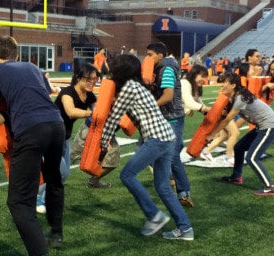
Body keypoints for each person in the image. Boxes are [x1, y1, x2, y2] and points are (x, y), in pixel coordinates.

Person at [0, 36, 64, 256]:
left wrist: (6, 116)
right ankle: (56, 231)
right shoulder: (32, 67)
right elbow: (42, 93)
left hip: (31, 129)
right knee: (53, 178)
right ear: (17, 54)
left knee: (19, 201)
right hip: (56, 124)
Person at [101, 54, 194, 241]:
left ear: (121, 71)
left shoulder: (128, 88)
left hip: (157, 138)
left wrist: (103, 142)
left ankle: (154, 215)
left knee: (127, 175)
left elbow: (113, 118)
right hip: (167, 136)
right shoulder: (137, 86)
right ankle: (185, 229)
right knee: (163, 187)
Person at [36, 62, 97, 246]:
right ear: (78, 77)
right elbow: (70, 112)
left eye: (95, 79)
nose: (92, 82)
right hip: (49, 136)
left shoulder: (90, 95)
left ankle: (42, 198)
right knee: (59, 172)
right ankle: (37, 198)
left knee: (65, 174)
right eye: (89, 78)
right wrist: (91, 113)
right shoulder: (67, 93)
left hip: (65, 137)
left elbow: (98, 109)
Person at [212, 73, 274, 196]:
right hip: (261, 126)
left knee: (252, 158)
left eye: (225, 82)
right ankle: (236, 177)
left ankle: (270, 187)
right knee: (239, 148)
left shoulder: (239, 99)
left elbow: (227, 120)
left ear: (233, 85)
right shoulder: (233, 98)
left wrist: (212, 135)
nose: (223, 85)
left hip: (270, 126)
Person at [146, 42, 194, 207]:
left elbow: (167, 96)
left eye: (150, 55)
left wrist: (150, 106)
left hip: (172, 119)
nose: (147, 58)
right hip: (162, 118)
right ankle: (171, 177)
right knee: (144, 148)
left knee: (172, 156)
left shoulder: (166, 69)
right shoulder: (157, 70)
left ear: (160, 56)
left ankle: (184, 193)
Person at [195, 64, 238, 166]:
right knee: (235, 133)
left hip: (222, 113)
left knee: (224, 135)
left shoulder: (227, 89)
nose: (225, 83)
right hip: (222, 114)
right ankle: (228, 157)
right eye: (226, 81)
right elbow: (223, 103)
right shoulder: (225, 89)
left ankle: (206, 152)